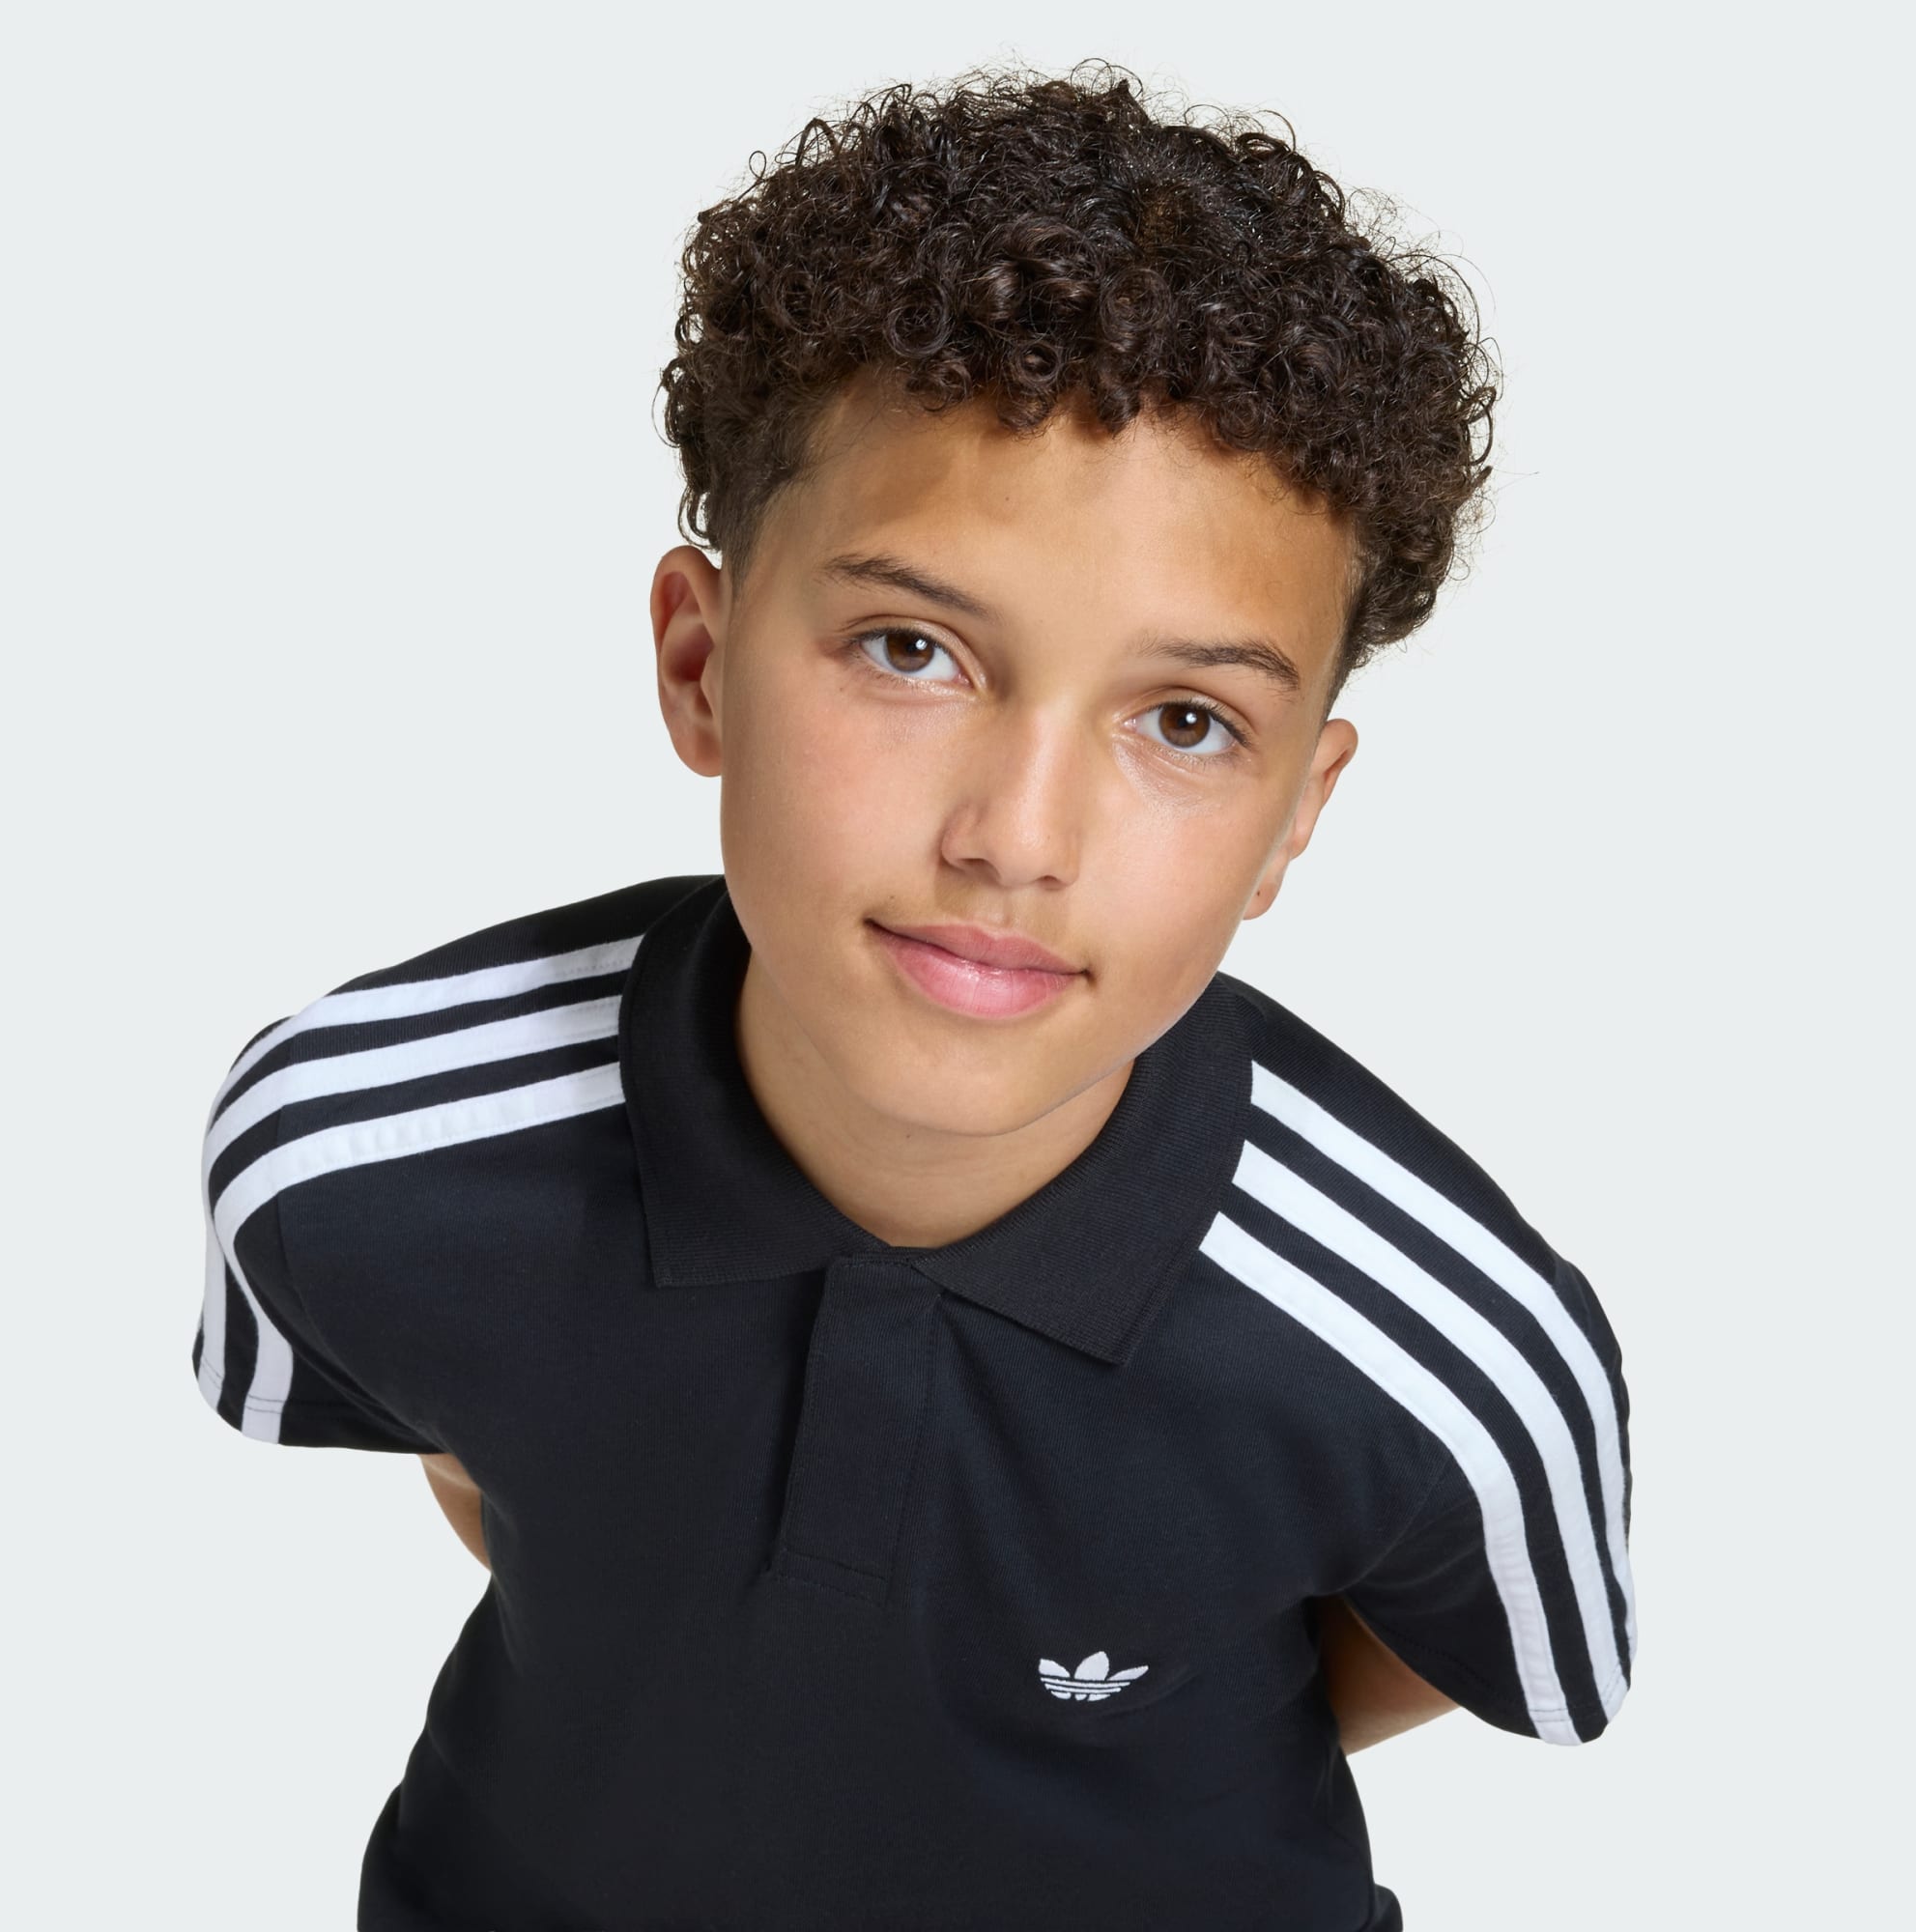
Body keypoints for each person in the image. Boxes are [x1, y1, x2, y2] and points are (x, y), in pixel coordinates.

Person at [193, 59, 1635, 1932]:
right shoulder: (347, 1147)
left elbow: (1403, 1662)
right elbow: (483, 1452)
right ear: (701, 662)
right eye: (911, 648)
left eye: (1185, 722)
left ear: (1296, 813)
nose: (1018, 836)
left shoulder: (1454, 1354)